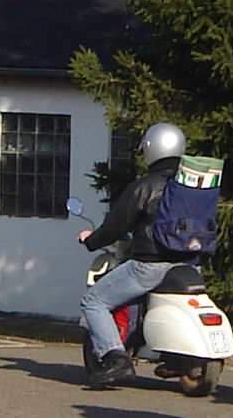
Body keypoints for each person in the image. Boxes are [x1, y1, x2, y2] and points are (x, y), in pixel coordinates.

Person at [78, 123, 196, 386]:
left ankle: (116, 357)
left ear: (152, 149)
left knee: (93, 301)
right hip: (189, 266)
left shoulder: (144, 186)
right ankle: (174, 357)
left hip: (149, 266)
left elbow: (116, 226)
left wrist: (91, 240)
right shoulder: (191, 187)